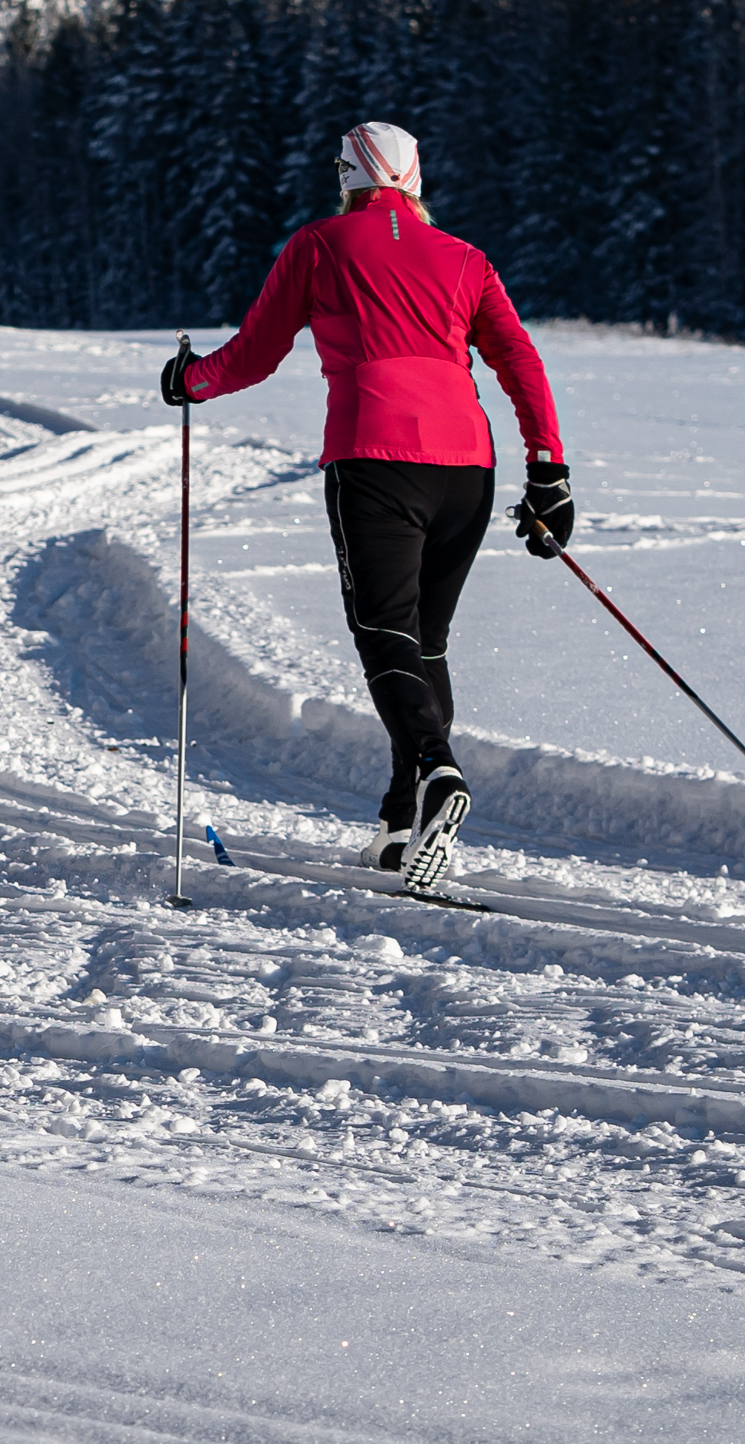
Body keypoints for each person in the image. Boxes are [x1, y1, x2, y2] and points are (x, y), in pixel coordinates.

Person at [161, 120, 570, 892]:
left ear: (346, 178)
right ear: (415, 180)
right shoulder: (464, 257)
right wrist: (548, 469)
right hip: (466, 466)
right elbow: (518, 357)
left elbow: (254, 353)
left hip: (375, 456)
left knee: (383, 634)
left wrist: (190, 381)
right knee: (425, 643)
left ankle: (437, 771)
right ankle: (396, 828)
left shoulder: (319, 245)